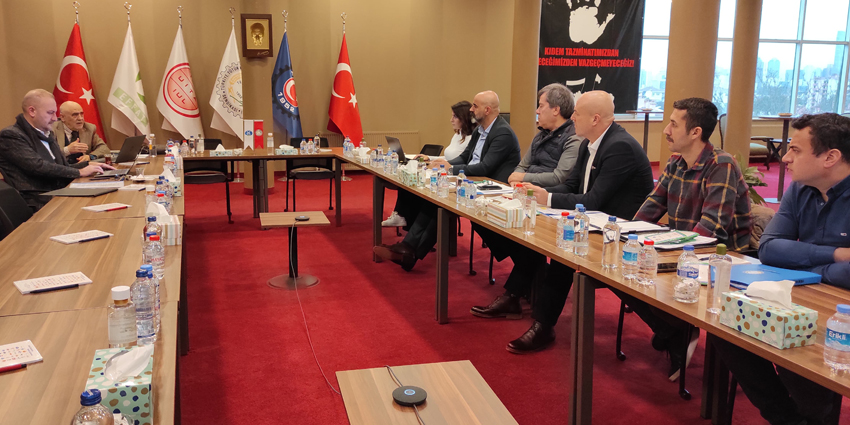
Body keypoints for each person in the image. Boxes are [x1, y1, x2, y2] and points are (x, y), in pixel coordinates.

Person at [471, 90, 654, 354]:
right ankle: (519, 303)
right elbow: (571, 185)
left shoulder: (619, 146)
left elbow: (594, 199)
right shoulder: (588, 143)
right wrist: (541, 194)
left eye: (577, 113)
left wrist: (548, 198)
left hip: (619, 234)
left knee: (562, 253)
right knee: (541, 239)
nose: (573, 118)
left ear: (595, 119)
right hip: (592, 222)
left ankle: (542, 324)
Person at [710, 112, 850, 425]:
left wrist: (808, 265)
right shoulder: (800, 188)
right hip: (804, 295)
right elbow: (771, 248)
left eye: (795, 150)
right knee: (727, 325)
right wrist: (837, 255)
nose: (785, 158)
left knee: (801, 360)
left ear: (830, 157)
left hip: (839, 310)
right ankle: (785, 418)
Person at [617, 97, 752, 381]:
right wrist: (627, 236)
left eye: (673, 124)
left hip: (721, 259)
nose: (666, 130)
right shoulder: (676, 162)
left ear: (695, 132)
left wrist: (665, 252)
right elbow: (652, 206)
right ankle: (673, 329)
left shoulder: (721, 165)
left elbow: (711, 228)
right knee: (620, 267)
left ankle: (675, 329)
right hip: (683, 250)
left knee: (644, 266)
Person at [373, 90, 521, 271]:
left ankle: (409, 251)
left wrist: (450, 168)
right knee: (435, 200)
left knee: (441, 202)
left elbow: (485, 168)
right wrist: (444, 163)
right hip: (472, 182)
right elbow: (465, 157)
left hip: (492, 189)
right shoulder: (479, 131)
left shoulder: (502, 133)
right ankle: (408, 250)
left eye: (475, 106)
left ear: (487, 110)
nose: (471, 110)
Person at [0, 89, 111, 212]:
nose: (54, 118)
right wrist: (79, 172)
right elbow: (38, 167)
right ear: (32, 111)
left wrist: (88, 164)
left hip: (59, 193)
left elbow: (61, 167)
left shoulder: (47, 133)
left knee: (106, 197)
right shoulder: (11, 135)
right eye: (50, 113)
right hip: (39, 202)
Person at [382, 100, 476, 228]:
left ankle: (409, 220)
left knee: (417, 182)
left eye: (455, 116)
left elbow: (460, 160)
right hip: (443, 170)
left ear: (464, 118)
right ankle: (402, 216)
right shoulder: (458, 135)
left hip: (452, 176)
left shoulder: (471, 139)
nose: (451, 120)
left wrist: (437, 163)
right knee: (409, 177)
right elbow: (448, 158)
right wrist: (429, 157)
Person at [507, 83, 582, 187]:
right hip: (526, 190)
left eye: (541, 106)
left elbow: (558, 178)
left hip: (549, 194)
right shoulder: (541, 135)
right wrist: (515, 181)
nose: (537, 111)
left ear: (555, 110)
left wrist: (522, 177)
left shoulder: (573, 138)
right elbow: (522, 166)